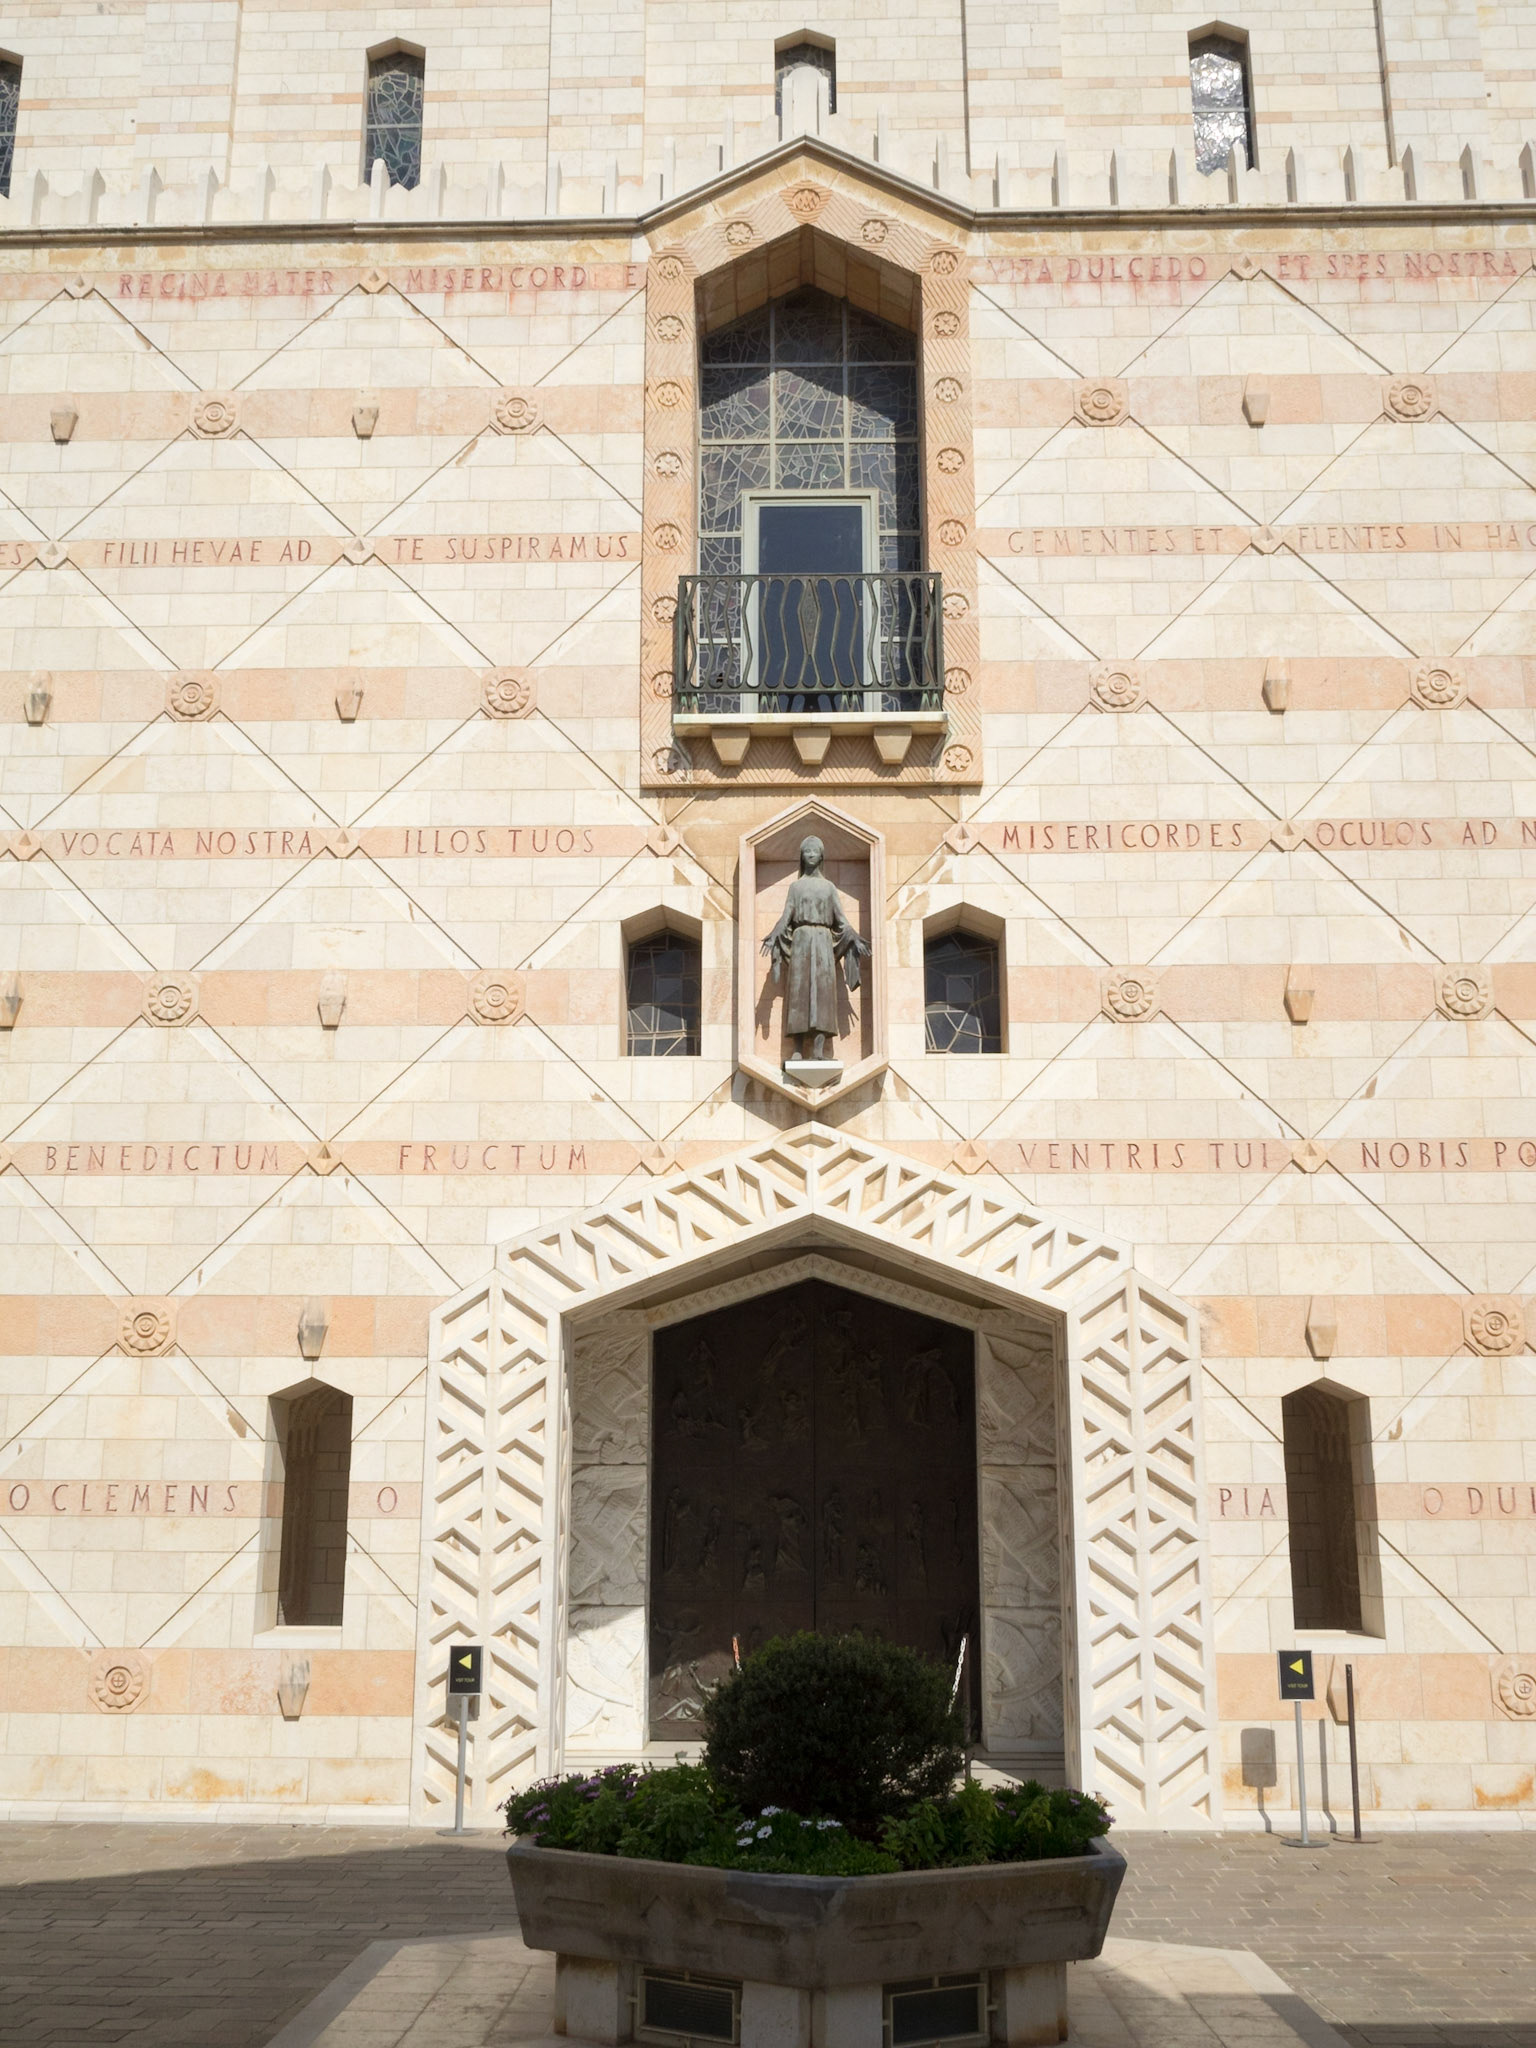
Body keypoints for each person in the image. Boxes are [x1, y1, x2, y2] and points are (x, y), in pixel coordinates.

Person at [761, 836, 871, 1062]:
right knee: (799, 995)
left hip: (822, 943)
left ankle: (820, 1049)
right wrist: (774, 935)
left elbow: (841, 921)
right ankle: (798, 1049)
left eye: (814, 851)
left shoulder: (829, 888)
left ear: (821, 856)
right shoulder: (795, 887)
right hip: (801, 941)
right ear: (802, 856)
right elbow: (786, 917)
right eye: (806, 851)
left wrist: (855, 938)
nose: (810, 854)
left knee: (823, 994)